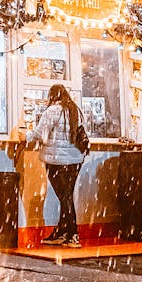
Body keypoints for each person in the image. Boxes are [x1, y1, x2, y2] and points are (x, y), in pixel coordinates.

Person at [25, 83, 86, 248]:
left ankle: (73, 234)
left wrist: (25, 136)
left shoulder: (52, 111)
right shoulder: (75, 111)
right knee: (66, 196)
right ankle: (62, 232)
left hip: (56, 161)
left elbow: (40, 133)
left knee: (64, 197)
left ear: (52, 95)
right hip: (75, 160)